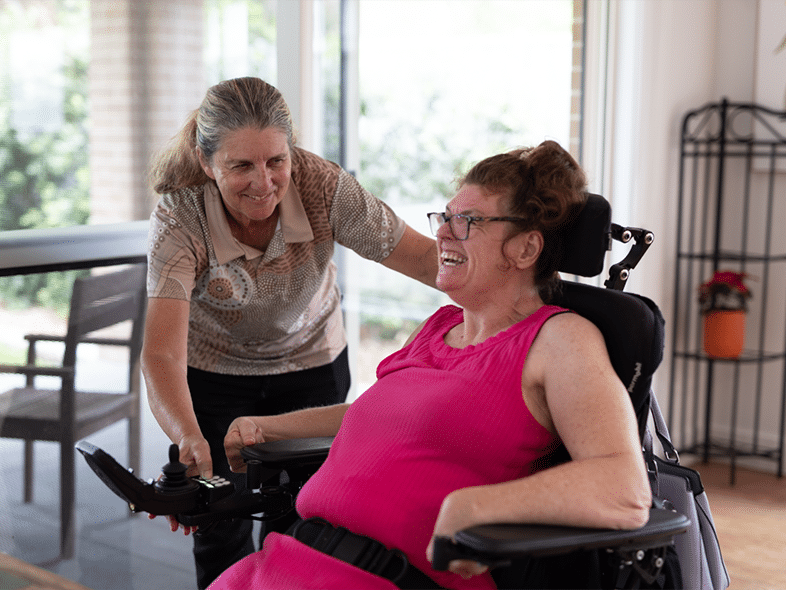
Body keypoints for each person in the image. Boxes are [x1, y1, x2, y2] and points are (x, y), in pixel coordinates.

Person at [208, 140, 653, 590]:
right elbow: (381, 418)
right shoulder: (438, 326)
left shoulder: (561, 340)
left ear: (525, 249)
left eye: (468, 222)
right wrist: (266, 427)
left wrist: (477, 507)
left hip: (387, 579)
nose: (442, 232)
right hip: (284, 563)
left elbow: (625, 488)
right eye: (445, 217)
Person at [141, 76, 438, 589]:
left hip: (312, 367)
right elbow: (162, 354)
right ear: (207, 161)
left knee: (302, 522)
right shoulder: (179, 216)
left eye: (276, 160)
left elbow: (429, 261)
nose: (263, 182)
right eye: (240, 166)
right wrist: (187, 435)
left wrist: (525, 299)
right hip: (214, 375)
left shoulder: (324, 187)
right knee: (219, 523)